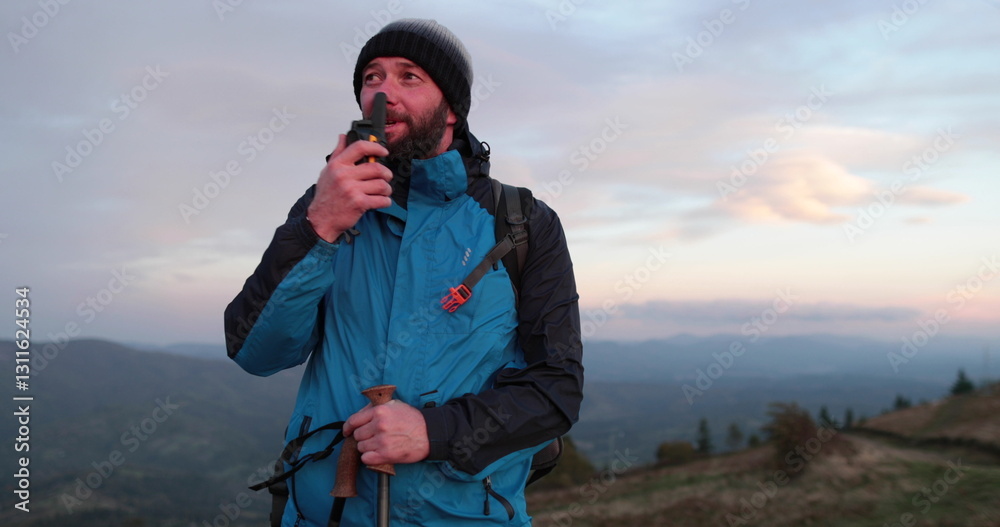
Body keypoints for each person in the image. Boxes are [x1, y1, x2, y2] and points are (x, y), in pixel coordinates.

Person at [224, 18, 583, 526]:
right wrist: (317, 228)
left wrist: (433, 432)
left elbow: (556, 392)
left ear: (453, 108)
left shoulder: (523, 222)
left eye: (408, 77)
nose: (383, 92)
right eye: (372, 77)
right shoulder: (325, 208)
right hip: (323, 515)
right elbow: (255, 352)